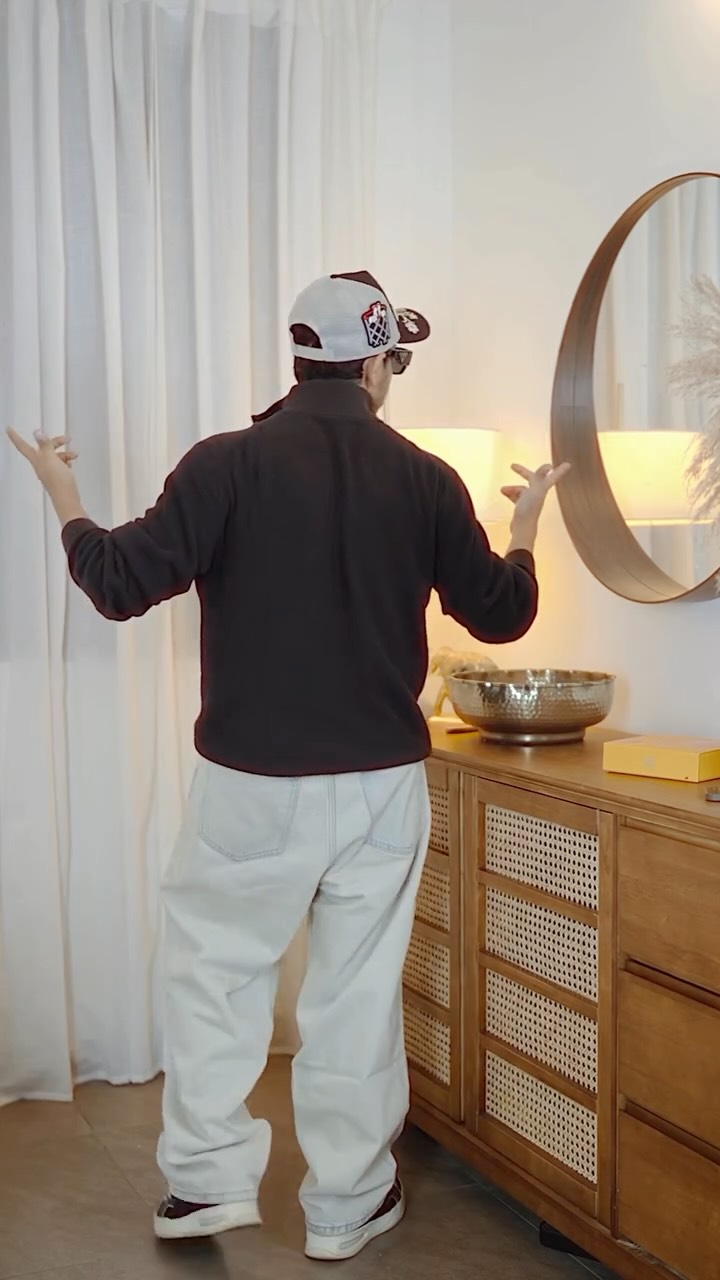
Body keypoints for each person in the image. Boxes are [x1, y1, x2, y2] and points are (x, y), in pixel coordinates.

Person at [7, 269, 568, 1262]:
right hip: (380, 786)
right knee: (356, 993)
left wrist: (65, 496)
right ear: (378, 363)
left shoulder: (224, 463)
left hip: (250, 784)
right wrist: (524, 531)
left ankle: (205, 1183)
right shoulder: (427, 477)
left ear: (302, 357)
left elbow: (119, 581)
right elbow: (503, 613)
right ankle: (347, 1201)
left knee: (215, 977)